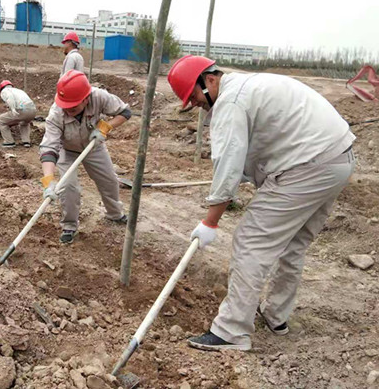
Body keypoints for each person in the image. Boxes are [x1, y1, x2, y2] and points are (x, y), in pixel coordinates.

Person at [167, 55, 356, 351]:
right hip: (338, 159)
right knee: (293, 243)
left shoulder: (230, 102)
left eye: (193, 97)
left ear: (210, 80)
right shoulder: (247, 86)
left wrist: (210, 222)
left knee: (251, 240)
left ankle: (231, 331)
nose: (195, 105)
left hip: (306, 166)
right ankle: (276, 315)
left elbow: (228, 166)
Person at [40, 70, 130, 244]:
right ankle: (69, 225)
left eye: (73, 107)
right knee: (68, 187)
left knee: (109, 180)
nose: (68, 110)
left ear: (86, 99)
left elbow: (125, 112)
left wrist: (106, 127)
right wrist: (48, 180)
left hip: (93, 146)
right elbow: (49, 149)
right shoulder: (56, 114)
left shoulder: (100, 97)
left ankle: (115, 214)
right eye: (66, 107)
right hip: (67, 150)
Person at [0, 80, 37, 148]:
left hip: (22, 111)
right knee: (24, 123)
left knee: (0, 120)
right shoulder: (19, 90)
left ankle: (9, 142)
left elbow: (10, 97)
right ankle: (26, 141)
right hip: (33, 110)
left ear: (1, 88)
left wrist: (12, 109)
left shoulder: (5, 91)